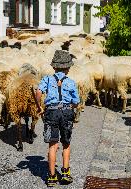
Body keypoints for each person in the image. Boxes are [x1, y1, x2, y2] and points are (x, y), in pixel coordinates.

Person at [36, 50, 79, 187]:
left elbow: (38, 92)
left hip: (51, 112)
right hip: (66, 112)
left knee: (52, 145)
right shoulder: (71, 82)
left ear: (54, 67)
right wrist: (71, 105)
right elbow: (76, 101)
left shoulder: (47, 79)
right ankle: (65, 174)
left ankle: (52, 177)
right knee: (66, 144)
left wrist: (39, 106)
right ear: (68, 68)